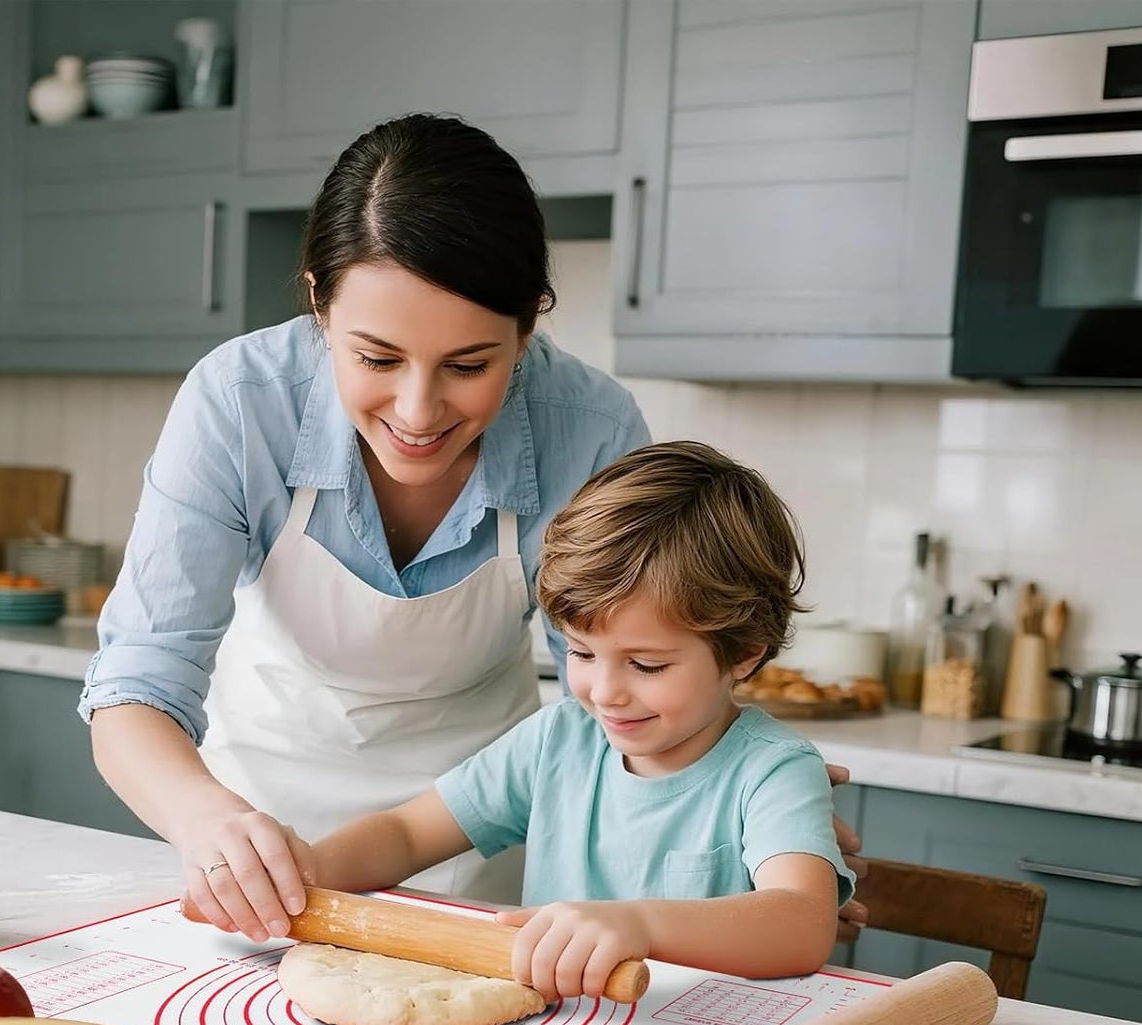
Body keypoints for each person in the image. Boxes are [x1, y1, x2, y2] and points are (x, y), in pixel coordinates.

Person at [79, 113, 867, 942]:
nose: (417, 413)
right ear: (319, 301)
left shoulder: (588, 426)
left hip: (482, 839)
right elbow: (139, 679)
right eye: (376, 359)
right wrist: (210, 823)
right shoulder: (240, 403)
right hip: (263, 839)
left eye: (469, 365)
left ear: (530, 322)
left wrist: (724, 813)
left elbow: (607, 689)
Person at [299, 442, 854, 1002]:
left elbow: (801, 924)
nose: (605, 691)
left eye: (646, 664)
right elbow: (408, 833)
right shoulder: (557, 741)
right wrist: (303, 872)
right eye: (581, 653)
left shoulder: (772, 769)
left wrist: (640, 926)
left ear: (744, 654)